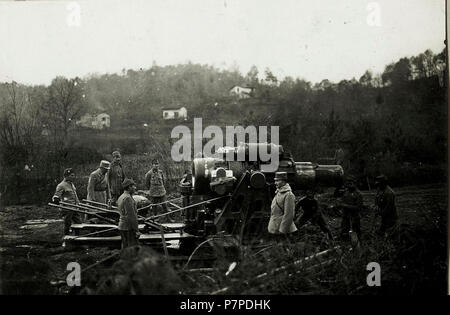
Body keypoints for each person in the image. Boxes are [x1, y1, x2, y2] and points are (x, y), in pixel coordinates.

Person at [268, 172, 297, 241]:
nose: (275, 183)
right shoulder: (279, 192)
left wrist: (283, 230)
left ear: (284, 181)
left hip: (283, 230)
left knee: (283, 247)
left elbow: (289, 215)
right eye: (275, 180)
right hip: (275, 227)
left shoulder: (289, 195)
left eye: (278, 180)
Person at [52, 168, 82, 235]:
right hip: (67, 208)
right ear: (66, 176)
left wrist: (78, 203)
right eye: (71, 175)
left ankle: (77, 237)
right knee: (67, 224)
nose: (73, 177)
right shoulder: (61, 185)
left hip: (75, 207)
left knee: (79, 223)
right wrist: (56, 199)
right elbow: (56, 195)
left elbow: (75, 195)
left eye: (73, 175)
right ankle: (66, 238)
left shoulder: (71, 184)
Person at [338, 176, 363, 242]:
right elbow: (341, 201)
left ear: (354, 184)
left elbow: (358, 207)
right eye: (348, 183)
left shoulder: (358, 194)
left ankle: (358, 247)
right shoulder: (346, 192)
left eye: (351, 183)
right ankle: (345, 246)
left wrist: (346, 206)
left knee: (356, 233)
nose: (349, 185)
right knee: (344, 232)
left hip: (354, 217)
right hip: (345, 216)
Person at [117, 178, 140, 249]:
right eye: (133, 186)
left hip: (123, 226)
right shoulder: (128, 198)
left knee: (125, 247)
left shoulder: (121, 196)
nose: (135, 188)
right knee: (132, 249)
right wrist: (136, 230)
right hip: (128, 227)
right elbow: (131, 216)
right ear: (129, 187)